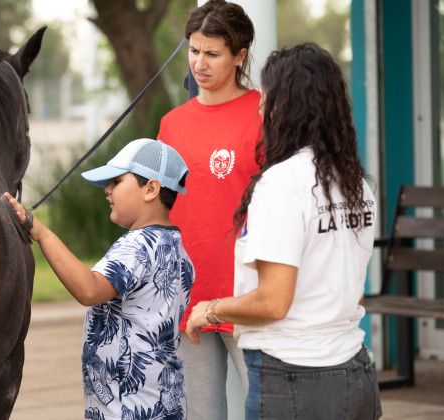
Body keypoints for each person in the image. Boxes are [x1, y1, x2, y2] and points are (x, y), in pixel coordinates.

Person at [185, 43, 382, 419]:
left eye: (268, 98)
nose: (260, 109)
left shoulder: (282, 183)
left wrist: (210, 310)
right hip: (356, 376)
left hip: (295, 381)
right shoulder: (356, 184)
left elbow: (273, 303)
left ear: (288, 107)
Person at [4, 138, 194, 419]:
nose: (107, 190)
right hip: (164, 403)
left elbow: (89, 290)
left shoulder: (138, 245)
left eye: (116, 182)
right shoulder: (176, 247)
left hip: (129, 409)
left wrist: (39, 231)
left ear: (151, 189)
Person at [156, 1, 260, 417]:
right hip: (186, 296)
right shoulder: (172, 124)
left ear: (239, 56)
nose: (200, 63)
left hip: (249, 295)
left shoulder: (264, 114)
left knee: (270, 410)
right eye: (194, 50)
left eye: (212, 53)